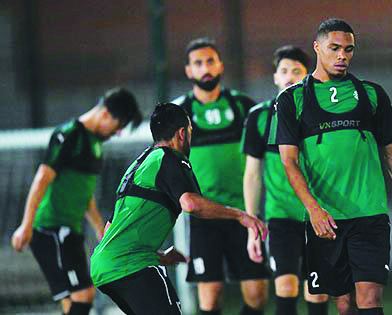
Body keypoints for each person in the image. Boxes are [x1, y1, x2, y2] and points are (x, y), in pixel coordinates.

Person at [273, 18, 392, 315]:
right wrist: (314, 209)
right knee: (345, 305)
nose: (342, 55)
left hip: (369, 215)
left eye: (348, 49)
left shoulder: (372, 94)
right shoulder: (292, 100)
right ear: (317, 48)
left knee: (370, 299)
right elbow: (289, 161)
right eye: (334, 48)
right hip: (327, 219)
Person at [90, 103, 267, 315]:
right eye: (191, 131)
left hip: (104, 267)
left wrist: (161, 256)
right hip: (132, 265)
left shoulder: (140, 164)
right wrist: (240, 215)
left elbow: (111, 229)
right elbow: (191, 204)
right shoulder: (170, 158)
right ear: (182, 133)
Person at [10, 88, 142, 315]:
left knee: (72, 303)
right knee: (84, 294)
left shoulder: (95, 144)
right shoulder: (69, 135)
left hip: (69, 230)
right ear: (106, 114)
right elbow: (42, 178)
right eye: (118, 127)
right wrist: (26, 224)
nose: (117, 134)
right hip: (50, 229)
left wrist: (102, 232)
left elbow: (84, 194)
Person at [172, 37, 269, 315]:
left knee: (257, 296)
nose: (206, 68)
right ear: (188, 70)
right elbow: (167, 160)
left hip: (244, 213)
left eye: (210, 61)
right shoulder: (180, 112)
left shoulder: (242, 105)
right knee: (211, 297)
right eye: (198, 63)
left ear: (220, 65)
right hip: (205, 215)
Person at [242, 45, 329, 315]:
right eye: (284, 71)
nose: (289, 76)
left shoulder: (321, 113)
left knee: (317, 291)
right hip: (281, 218)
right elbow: (253, 173)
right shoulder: (259, 116)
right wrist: (251, 224)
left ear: (307, 76)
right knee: (286, 289)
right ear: (275, 77)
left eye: (296, 71)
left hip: (318, 216)